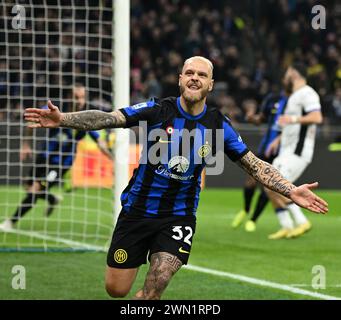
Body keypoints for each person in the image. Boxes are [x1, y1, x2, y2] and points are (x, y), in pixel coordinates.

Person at [22, 56, 328, 300]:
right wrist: (63, 119)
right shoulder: (157, 110)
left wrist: (290, 190)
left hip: (178, 217)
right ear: (180, 79)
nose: (195, 77)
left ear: (211, 85)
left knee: (157, 283)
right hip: (137, 211)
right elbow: (109, 118)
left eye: (202, 74)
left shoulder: (217, 124)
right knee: (116, 290)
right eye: (189, 72)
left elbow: (252, 163)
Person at [0, 85, 112, 231]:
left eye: (82, 97)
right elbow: (31, 122)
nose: (79, 101)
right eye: (76, 97)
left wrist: (111, 156)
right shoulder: (56, 111)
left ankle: (11, 222)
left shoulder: (85, 119)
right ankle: (52, 199)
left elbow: (99, 141)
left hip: (61, 163)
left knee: (36, 188)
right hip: (44, 155)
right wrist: (26, 145)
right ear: (68, 97)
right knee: (28, 186)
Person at [266, 63, 324, 239]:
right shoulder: (294, 97)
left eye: (288, 72)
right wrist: (278, 139)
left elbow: (317, 117)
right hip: (287, 149)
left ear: (295, 74)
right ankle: (286, 225)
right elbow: (293, 126)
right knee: (269, 184)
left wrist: (292, 118)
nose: (286, 76)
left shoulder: (307, 93)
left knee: (275, 185)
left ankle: (301, 221)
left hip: (297, 151)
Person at [231, 91, 288, 232]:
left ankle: (253, 219)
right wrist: (252, 117)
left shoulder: (296, 102)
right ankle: (246, 209)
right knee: (251, 180)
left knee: (270, 186)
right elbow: (260, 119)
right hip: (266, 147)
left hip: (282, 151)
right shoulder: (273, 98)